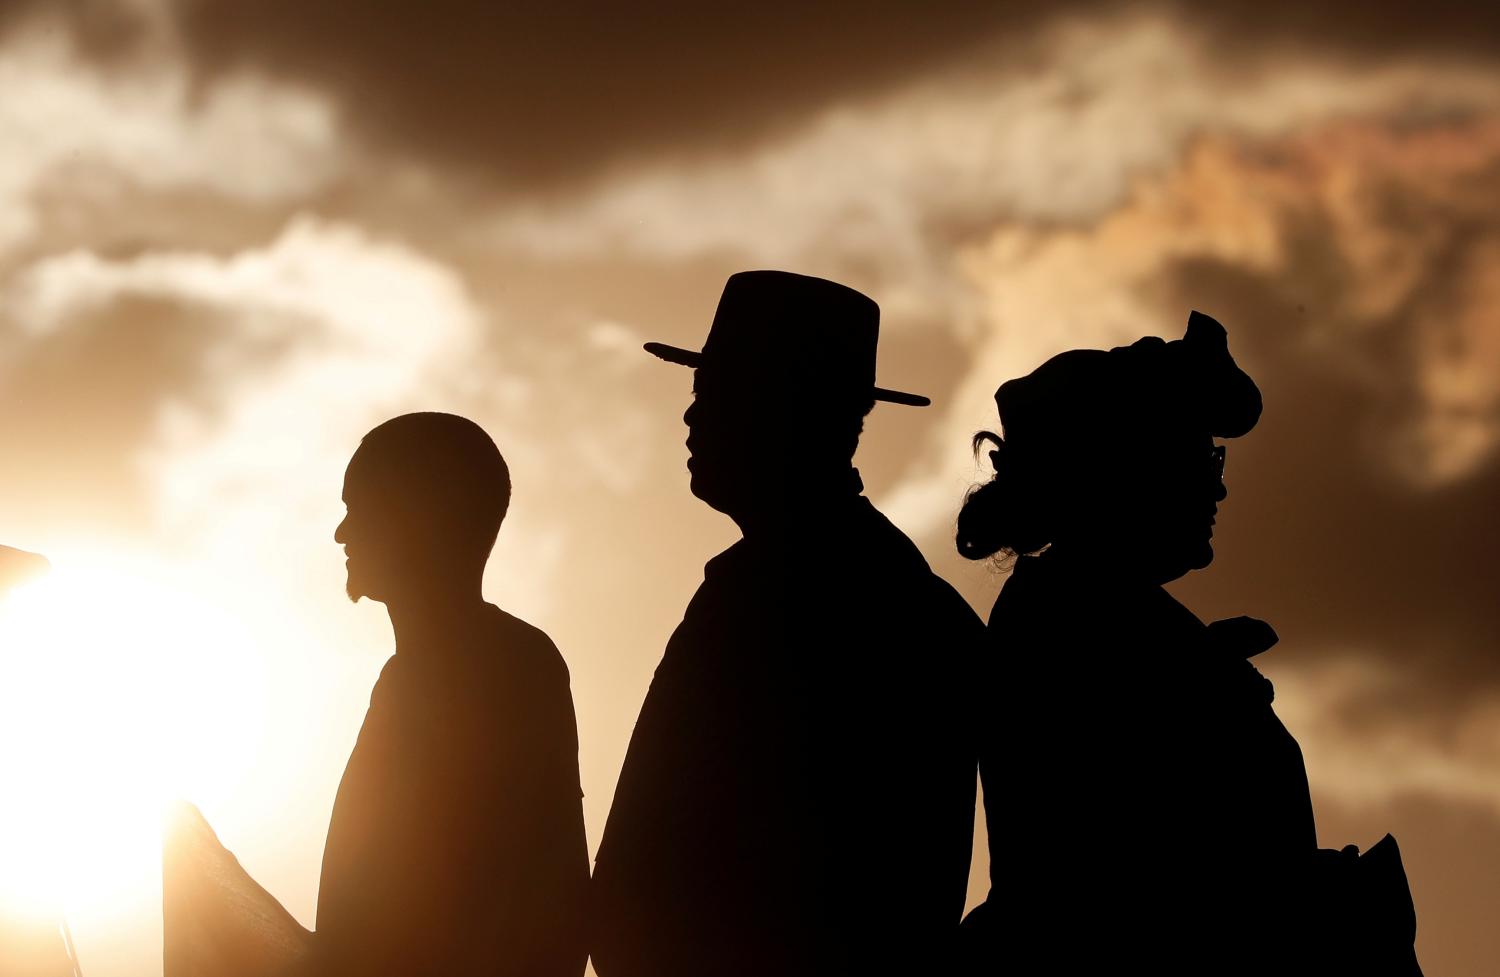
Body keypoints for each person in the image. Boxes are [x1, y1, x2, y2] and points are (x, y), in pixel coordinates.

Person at [955, 312, 1420, 976]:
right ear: (1129, 468)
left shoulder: (1107, 625)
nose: (1218, 483)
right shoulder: (1083, 632)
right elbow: (1143, 890)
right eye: (1202, 456)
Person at [590, 271, 981, 977]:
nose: (692, 417)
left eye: (714, 393)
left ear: (782, 408)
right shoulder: (906, 602)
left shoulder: (781, 597)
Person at [164, 412, 590, 977]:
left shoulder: (500, 666)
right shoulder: (426, 673)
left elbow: (544, 903)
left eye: (359, 510)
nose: (342, 533)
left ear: (420, 519)